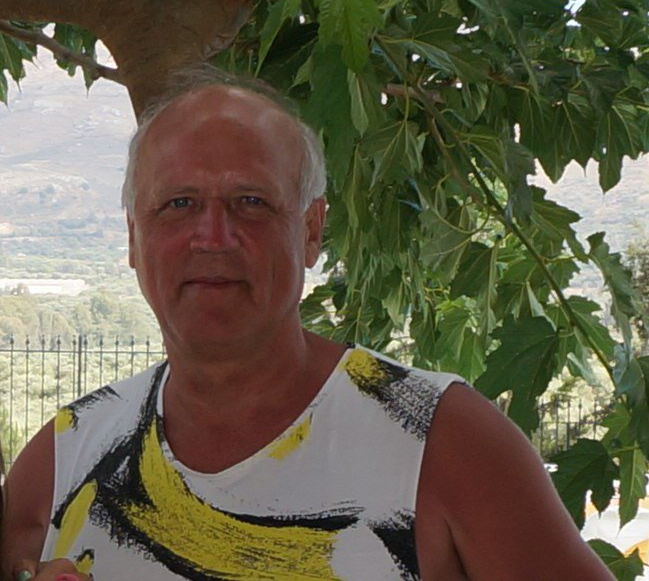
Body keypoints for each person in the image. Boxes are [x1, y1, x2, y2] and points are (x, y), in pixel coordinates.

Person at [2, 69, 614, 580]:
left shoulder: (443, 442)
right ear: (134, 238)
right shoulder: (61, 464)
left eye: (251, 203)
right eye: (178, 204)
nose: (213, 237)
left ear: (312, 230)